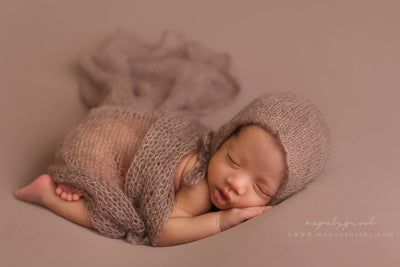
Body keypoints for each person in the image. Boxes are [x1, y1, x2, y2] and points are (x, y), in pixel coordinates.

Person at [14, 92, 330, 247]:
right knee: (115, 218)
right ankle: (47, 194)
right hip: (99, 148)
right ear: (223, 138)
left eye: (260, 188)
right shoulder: (200, 184)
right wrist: (221, 220)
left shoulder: (220, 167)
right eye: (233, 160)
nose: (236, 182)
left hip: (115, 127)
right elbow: (162, 231)